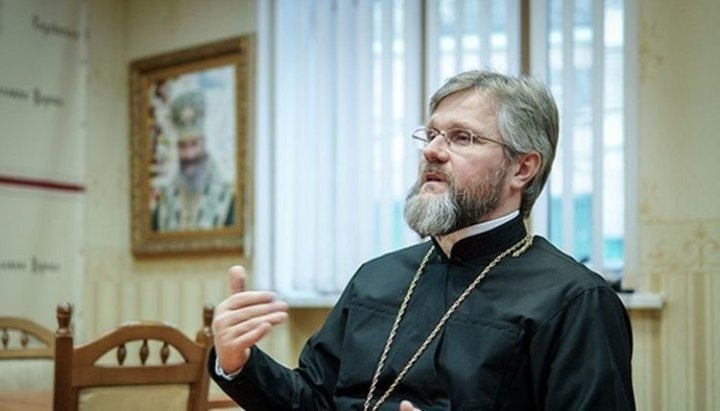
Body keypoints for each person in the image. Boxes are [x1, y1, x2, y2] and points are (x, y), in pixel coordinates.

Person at [209, 70, 636, 410]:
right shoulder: (376, 277)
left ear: (522, 169)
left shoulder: (575, 300)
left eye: (462, 137)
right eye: (431, 134)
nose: (432, 150)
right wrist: (239, 363)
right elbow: (314, 399)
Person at [152, 90, 235, 231]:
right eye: (182, 146)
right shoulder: (166, 201)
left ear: (204, 145)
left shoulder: (227, 198)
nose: (189, 154)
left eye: (194, 144)